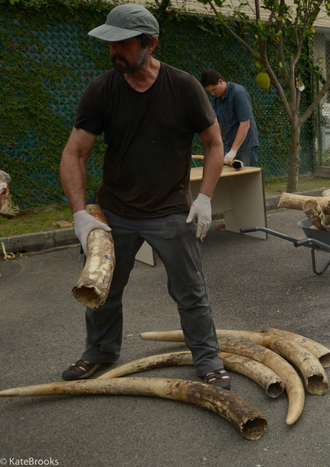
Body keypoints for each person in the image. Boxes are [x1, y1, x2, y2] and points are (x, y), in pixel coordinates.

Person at [59, 4, 231, 390]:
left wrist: (203, 198)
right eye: (110, 44)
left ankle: (207, 358)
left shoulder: (184, 87)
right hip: (115, 210)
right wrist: (80, 214)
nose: (113, 51)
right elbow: (75, 153)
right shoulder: (101, 90)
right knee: (102, 288)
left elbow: (214, 143)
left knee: (190, 290)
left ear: (149, 43)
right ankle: (99, 351)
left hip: (170, 209)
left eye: (122, 44)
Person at [200, 70, 260, 168]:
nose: (212, 93)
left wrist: (233, 151)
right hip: (229, 146)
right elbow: (218, 124)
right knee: (230, 181)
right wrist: (216, 147)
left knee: (245, 181)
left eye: (214, 89)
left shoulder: (238, 93)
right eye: (210, 91)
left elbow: (245, 124)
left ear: (220, 81)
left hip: (245, 147)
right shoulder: (217, 98)